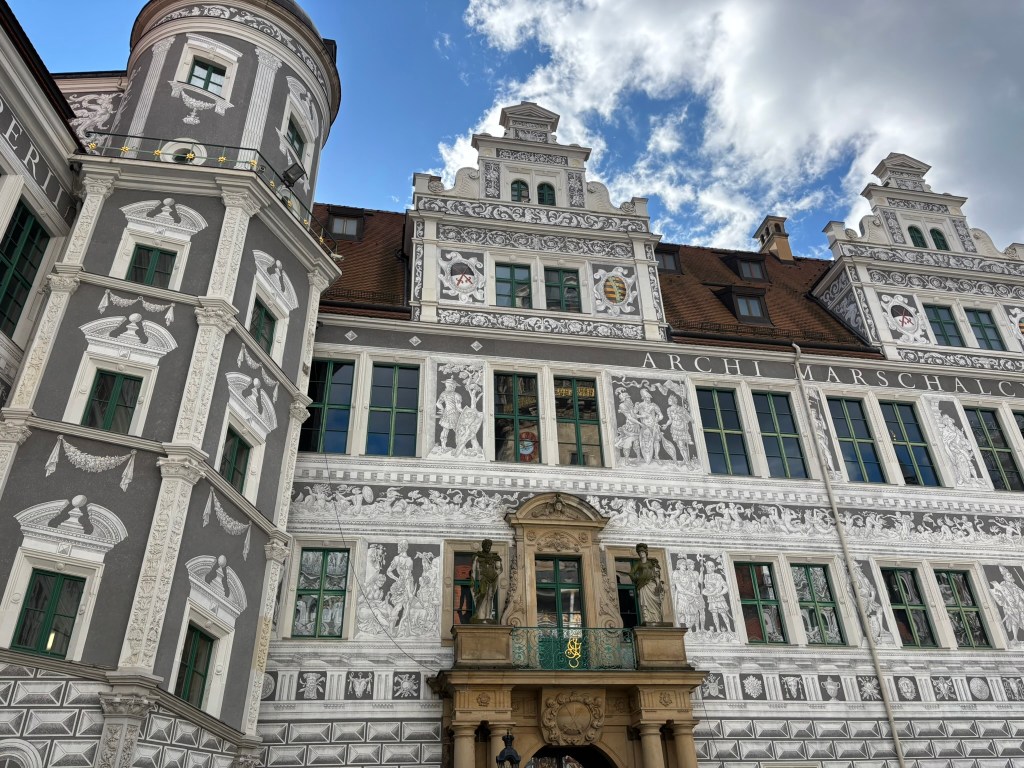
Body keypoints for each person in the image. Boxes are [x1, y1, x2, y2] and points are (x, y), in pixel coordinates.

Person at [629, 543, 665, 625]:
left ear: (646, 553)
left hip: (651, 584)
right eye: (640, 553)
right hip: (643, 585)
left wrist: (658, 583)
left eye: (642, 552)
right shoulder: (638, 564)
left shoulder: (651, 563)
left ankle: (656, 619)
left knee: (656, 601)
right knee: (645, 602)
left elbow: (656, 574)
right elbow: (631, 573)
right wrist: (638, 579)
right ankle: (647, 618)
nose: (641, 554)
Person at [471, 539, 503, 623]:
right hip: (483, 578)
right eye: (486, 545)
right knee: (482, 594)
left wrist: (495, 574)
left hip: (492, 579)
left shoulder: (494, 557)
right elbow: (473, 570)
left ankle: (488, 616)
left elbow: (500, 569)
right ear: (483, 546)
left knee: (490, 596)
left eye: (489, 546)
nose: (488, 547)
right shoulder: (478, 556)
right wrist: (473, 581)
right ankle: (478, 614)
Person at [672, 557, 704, 631]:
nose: (685, 566)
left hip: (691, 595)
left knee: (694, 612)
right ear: (679, 565)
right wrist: (692, 594)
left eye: (685, 565)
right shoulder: (676, 573)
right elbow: (680, 588)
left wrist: (694, 591)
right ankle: (685, 630)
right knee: (683, 613)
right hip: (682, 596)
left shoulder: (688, 573)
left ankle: (695, 629)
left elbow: (693, 583)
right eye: (683, 565)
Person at [435, 378, 462, 450]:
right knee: (457, 430)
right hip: (454, 414)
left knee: (445, 429)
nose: (454, 387)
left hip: (447, 413)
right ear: (452, 386)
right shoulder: (457, 395)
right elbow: (458, 407)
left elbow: (438, 403)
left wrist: (443, 410)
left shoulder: (443, 394)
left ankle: (443, 446)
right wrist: (463, 412)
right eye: (454, 386)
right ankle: (459, 447)